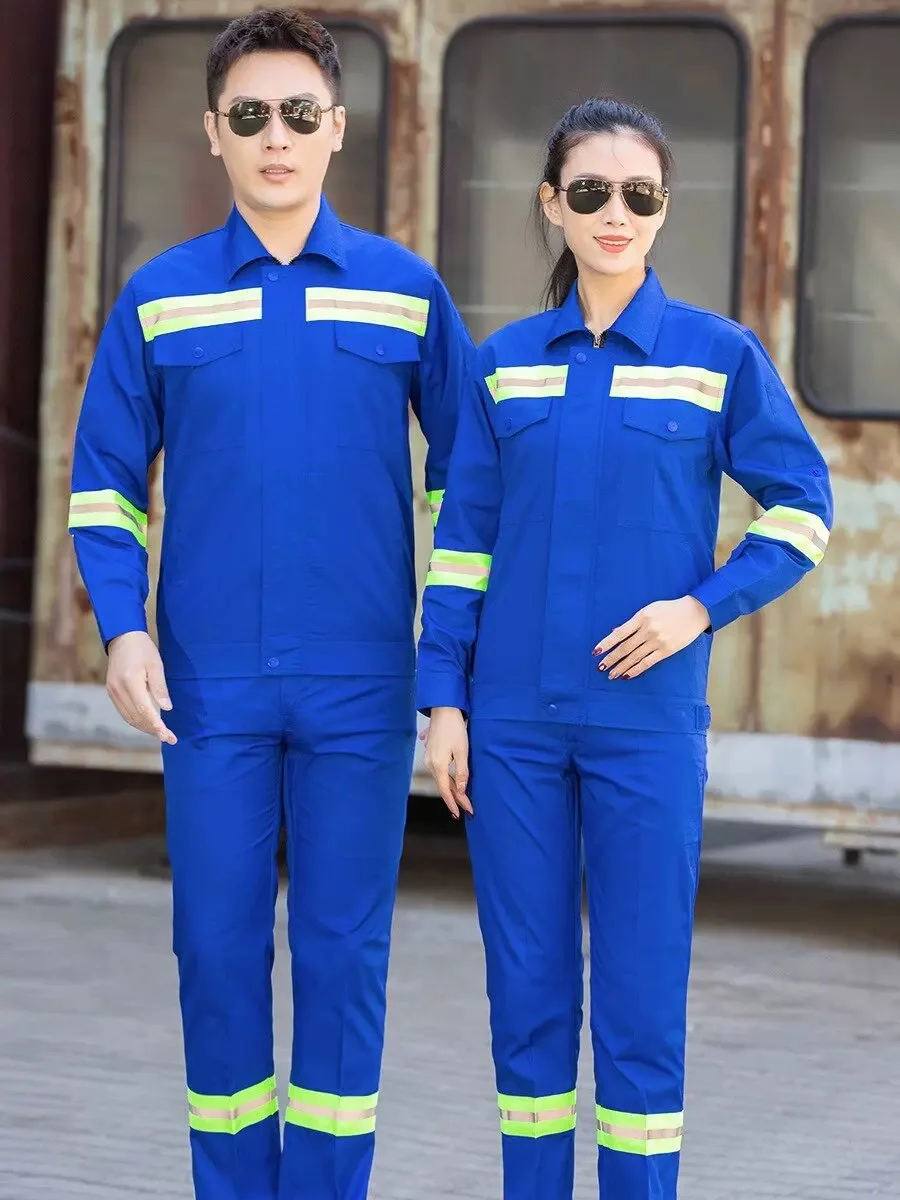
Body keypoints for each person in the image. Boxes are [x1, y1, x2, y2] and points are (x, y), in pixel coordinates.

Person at [67, 8, 473, 1199]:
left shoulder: (406, 295)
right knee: (215, 949)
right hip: (209, 688)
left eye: (300, 113)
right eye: (250, 115)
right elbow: (103, 483)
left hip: (360, 686)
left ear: (338, 128)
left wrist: (444, 669)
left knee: (343, 960)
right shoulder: (160, 299)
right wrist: (122, 627)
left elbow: (469, 487)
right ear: (215, 133)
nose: (276, 137)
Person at [417, 97, 832, 1200]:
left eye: (638, 194)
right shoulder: (502, 366)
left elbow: (804, 509)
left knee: (641, 1003)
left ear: (662, 209)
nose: (615, 213)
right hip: (511, 727)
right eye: (590, 191)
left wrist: (702, 606)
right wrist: (443, 700)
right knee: (527, 997)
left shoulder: (716, 358)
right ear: (552, 205)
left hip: (646, 728)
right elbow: (462, 545)